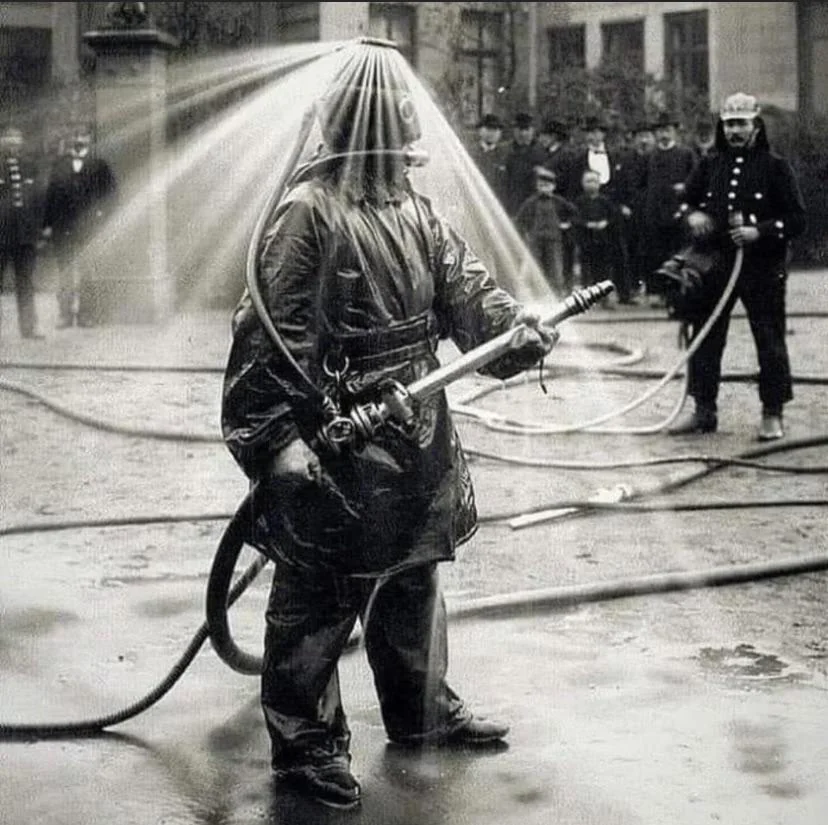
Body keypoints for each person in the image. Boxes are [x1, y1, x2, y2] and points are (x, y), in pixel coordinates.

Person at [220, 43, 557, 811]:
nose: (401, 151)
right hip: (336, 433)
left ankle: (421, 710)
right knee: (319, 590)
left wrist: (515, 329)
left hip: (415, 431)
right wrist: (277, 441)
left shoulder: (415, 210)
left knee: (412, 577)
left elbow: (467, 295)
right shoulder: (307, 214)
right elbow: (266, 339)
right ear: (353, 131)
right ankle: (305, 743)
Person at [668, 92, 806, 441]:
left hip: (762, 268)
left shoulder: (775, 167)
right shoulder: (710, 164)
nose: (735, 131)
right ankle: (704, 410)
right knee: (706, 336)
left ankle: (772, 413)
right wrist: (694, 213)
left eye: (742, 123)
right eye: (729, 124)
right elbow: (683, 202)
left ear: (756, 125)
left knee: (769, 338)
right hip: (715, 264)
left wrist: (758, 231)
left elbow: (797, 219)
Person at [42, 125, 118, 328]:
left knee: (88, 272)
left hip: (89, 228)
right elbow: (50, 196)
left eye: (83, 136)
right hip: (62, 228)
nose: (79, 139)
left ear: (90, 138)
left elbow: (112, 194)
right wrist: (47, 225)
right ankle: (65, 315)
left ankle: (86, 315)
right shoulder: (60, 164)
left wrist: (101, 216)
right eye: (75, 135)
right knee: (64, 272)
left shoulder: (99, 164)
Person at [564, 115, 634, 303]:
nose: (593, 137)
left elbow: (625, 184)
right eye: (589, 133)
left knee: (618, 253)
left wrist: (623, 206)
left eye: (596, 132)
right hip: (587, 212)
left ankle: (625, 294)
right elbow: (572, 187)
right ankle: (591, 297)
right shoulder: (578, 159)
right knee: (590, 257)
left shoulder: (617, 156)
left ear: (603, 134)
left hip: (612, 212)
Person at [640, 112, 698, 305]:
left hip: (678, 212)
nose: (663, 134)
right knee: (654, 253)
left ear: (674, 132)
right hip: (654, 213)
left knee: (676, 253)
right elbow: (641, 184)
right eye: (660, 131)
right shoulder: (649, 157)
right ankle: (655, 293)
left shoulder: (686, 154)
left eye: (667, 130)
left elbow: (698, 180)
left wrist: (686, 187)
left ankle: (675, 295)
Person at [0, 123, 46, 339]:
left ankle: (29, 328)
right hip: (1, 235)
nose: (12, 141)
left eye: (16, 137)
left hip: (25, 235)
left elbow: (38, 201)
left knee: (26, 282)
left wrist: (39, 230)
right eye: (8, 137)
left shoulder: (30, 166)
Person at [514, 165, 578, 293]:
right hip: (535, 240)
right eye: (541, 185)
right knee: (535, 266)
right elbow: (520, 219)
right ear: (537, 187)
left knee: (555, 266)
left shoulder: (559, 202)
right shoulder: (531, 202)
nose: (544, 188)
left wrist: (566, 224)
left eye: (547, 185)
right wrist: (526, 233)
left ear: (553, 187)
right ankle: (536, 293)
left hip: (554, 240)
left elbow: (574, 213)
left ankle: (556, 292)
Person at [573, 168, 618, 293]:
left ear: (599, 183)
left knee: (603, 268)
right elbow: (575, 218)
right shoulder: (579, 201)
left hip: (603, 239)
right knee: (586, 268)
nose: (592, 184)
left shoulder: (605, 201)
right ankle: (586, 293)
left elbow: (613, 217)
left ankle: (604, 295)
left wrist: (605, 223)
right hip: (586, 239)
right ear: (582, 183)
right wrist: (587, 224)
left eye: (594, 181)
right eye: (588, 181)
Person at [502, 111, 547, 217]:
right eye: (519, 130)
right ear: (514, 131)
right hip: (510, 202)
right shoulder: (505, 150)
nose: (523, 134)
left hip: (533, 204)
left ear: (533, 130)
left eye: (526, 129)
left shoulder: (542, 152)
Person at [468, 113, 508, 206]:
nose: (492, 133)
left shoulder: (506, 155)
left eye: (496, 130)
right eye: (489, 129)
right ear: (480, 131)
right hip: (475, 204)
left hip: (499, 206)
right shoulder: (470, 153)